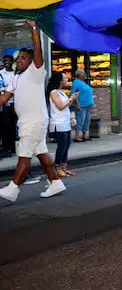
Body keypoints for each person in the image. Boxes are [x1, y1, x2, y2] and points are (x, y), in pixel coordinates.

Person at [0, 19, 67, 202]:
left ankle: (13, 188)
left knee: (24, 154)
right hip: (28, 122)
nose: (19, 60)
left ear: (31, 60)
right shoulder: (16, 78)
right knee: (42, 154)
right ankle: (55, 182)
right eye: (18, 58)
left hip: (34, 122)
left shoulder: (36, 71)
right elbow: (4, 98)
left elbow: (37, 48)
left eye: (23, 58)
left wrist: (35, 29)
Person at [47, 72, 79, 177]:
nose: (67, 79)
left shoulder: (61, 92)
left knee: (67, 145)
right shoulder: (54, 92)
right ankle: (57, 167)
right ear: (60, 80)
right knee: (61, 146)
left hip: (65, 122)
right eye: (65, 78)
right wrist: (71, 98)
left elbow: (66, 106)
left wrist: (73, 99)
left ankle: (64, 166)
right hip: (58, 123)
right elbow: (60, 106)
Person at [71, 68, 95, 142]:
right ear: (80, 74)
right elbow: (74, 94)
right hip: (81, 105)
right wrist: (78, 105)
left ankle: (85, 135)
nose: (85, 75)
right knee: (80, 121)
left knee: (87, 120)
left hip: (87, 105)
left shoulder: (83, 82)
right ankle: (77, 136)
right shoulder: (76, 83)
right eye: (84, 73)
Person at [0, 54, 16, 158]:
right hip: (5, 102)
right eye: (5, 61)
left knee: (14, 125)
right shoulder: (1, 73)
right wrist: (8, 88)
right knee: (7, 125)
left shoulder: (16, 73)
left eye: (9, 61)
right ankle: (5, 148)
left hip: (16, 102)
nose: (7, 63)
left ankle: (13, 147)